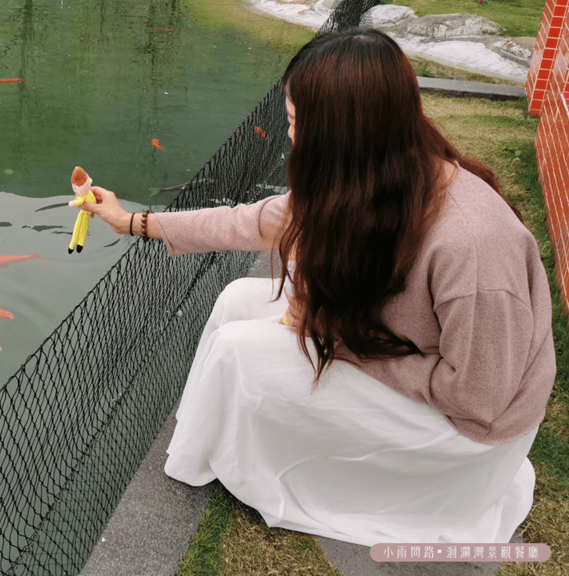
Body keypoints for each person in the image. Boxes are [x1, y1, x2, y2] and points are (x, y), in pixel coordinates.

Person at [78, 27, 555, 546]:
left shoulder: (474, 245)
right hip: (416, 358)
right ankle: (209, 445)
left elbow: (480, 398)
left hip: (466, 438)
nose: (289, 136)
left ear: (344, 133)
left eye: (295, 124)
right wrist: (132, 222)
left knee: (241, 350)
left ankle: (226, 463)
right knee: (238, 298)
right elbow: (252, 221)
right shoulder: (378, 179)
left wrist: (343, 342)